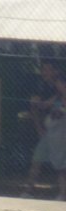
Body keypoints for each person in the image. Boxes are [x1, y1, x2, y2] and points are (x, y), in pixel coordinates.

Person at [22, 60, 64, 195]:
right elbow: (37, 106)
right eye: (43, 69)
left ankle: (62, 193)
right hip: (49, 131)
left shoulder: (60, 89)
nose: (44, 72)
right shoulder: (41, 86)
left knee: (61, 165)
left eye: (48, 69)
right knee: (37, 159)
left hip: (62, 133)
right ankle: (28, 190)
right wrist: (39, 128)